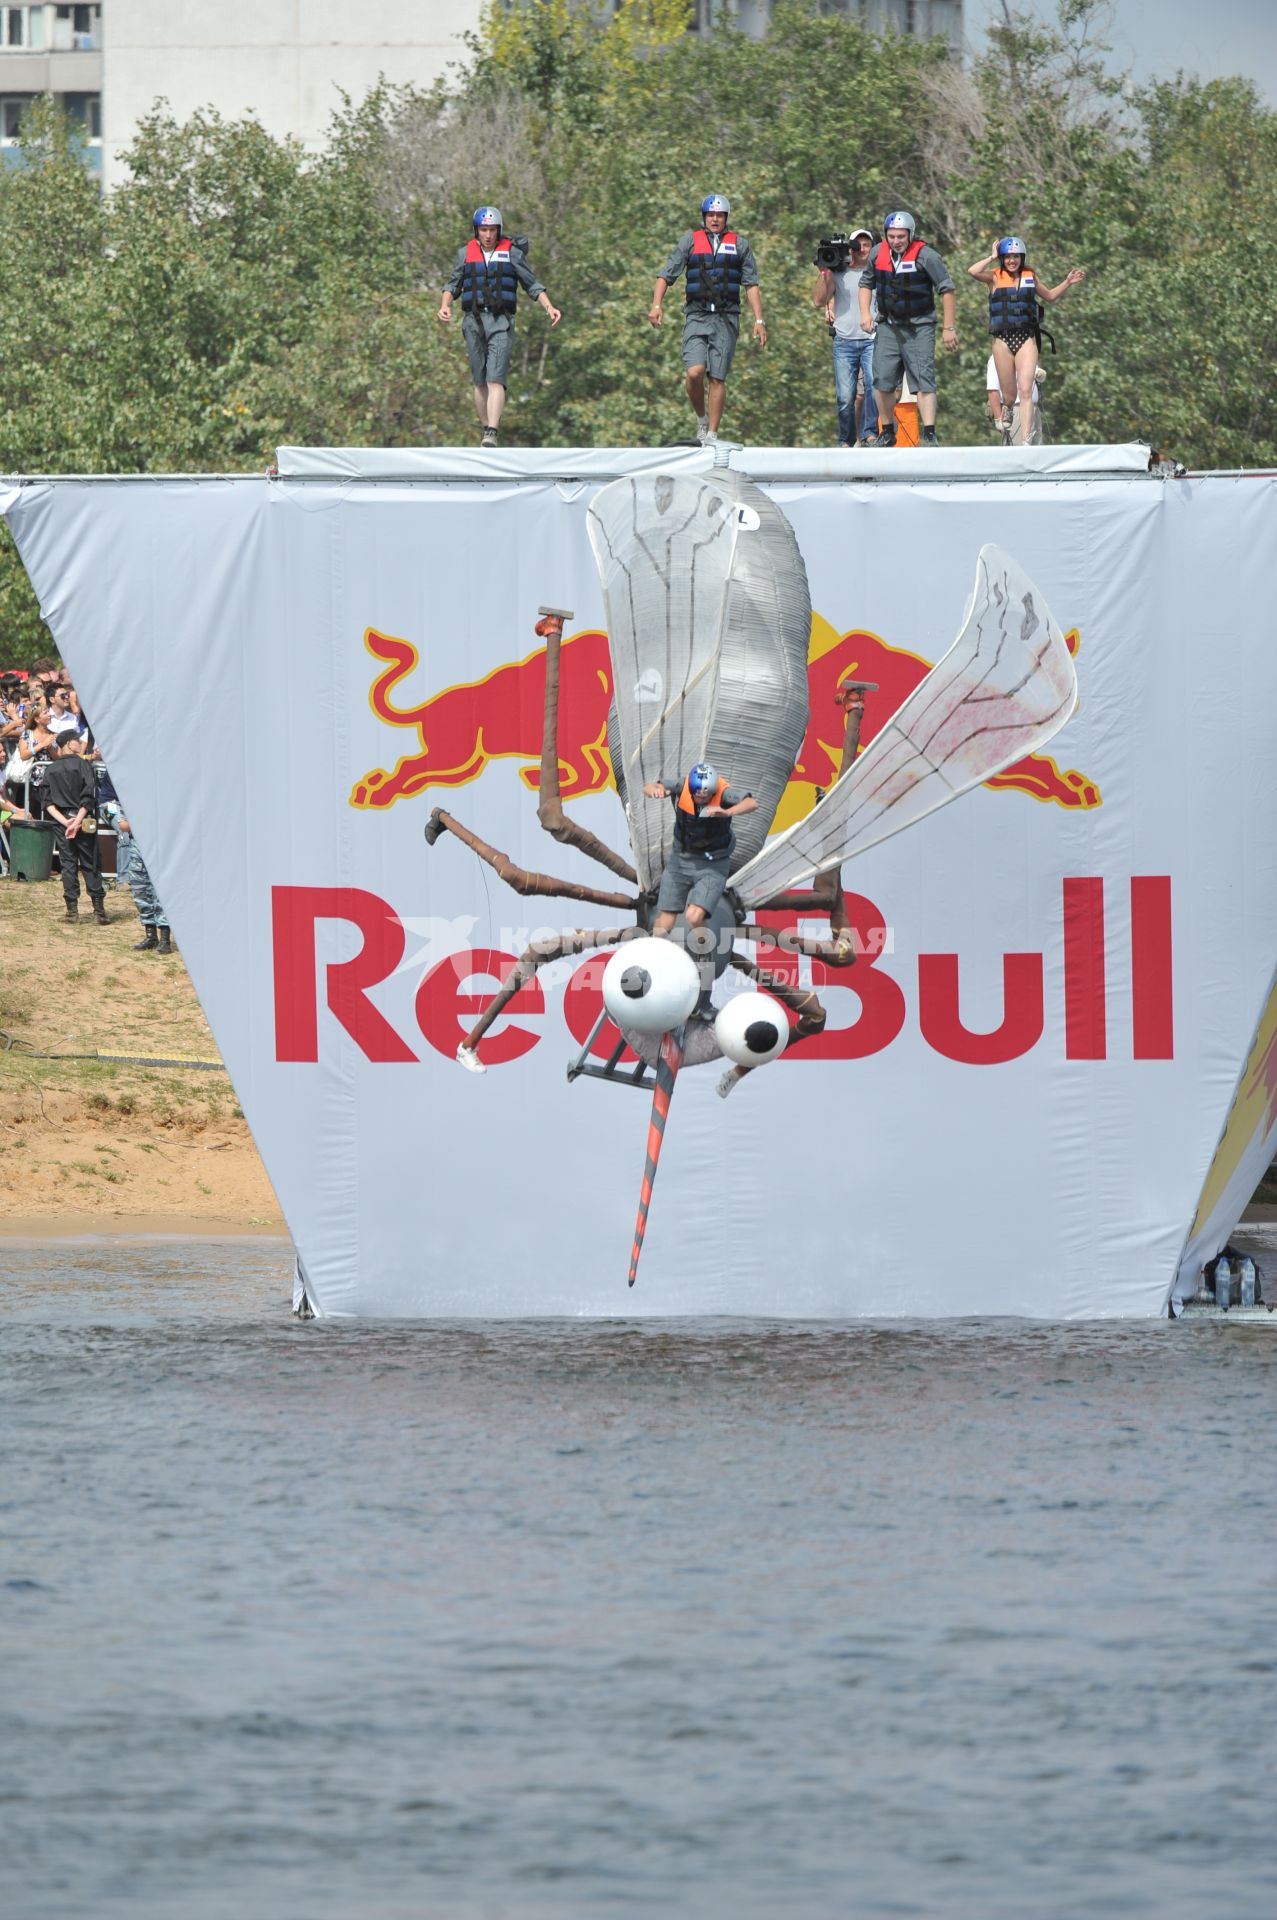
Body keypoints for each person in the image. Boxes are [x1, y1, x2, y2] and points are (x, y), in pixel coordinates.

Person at [438, 208, 561, 449]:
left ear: (499, 231)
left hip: (500, 321)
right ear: (477, 231)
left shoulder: (512, 254)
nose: (488, 235)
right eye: (483, 230)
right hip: (473, 321)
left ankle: (492, 431)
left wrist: (549, 307)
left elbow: (532, 284)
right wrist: (445, 305)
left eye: (492, 230)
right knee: (480, 380)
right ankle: (485, 430)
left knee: (496, 378)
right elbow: (452, 284)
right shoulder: (465, 253)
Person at [649, 194, 767, 446]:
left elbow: (751, 285)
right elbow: (665, 275)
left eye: (720, 215)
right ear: (705, 217)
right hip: (697, 315)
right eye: (711, 215)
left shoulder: (740, 245)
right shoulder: (690, 241)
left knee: (717, 377)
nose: (715, 219)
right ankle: (701, 419)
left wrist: (759, 320)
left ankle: (712, 434)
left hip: (726, 318)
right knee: (695, 372)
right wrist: (656, 305)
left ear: (726, 217)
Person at [968, 236, 1084, 446]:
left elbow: (1049, 296)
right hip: (1002, 339)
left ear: (1022, 258)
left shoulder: (1030, 275)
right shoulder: (994, 276)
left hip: (1026, 338)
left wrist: (1067, 282)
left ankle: (1026, 440)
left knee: (1026, 389)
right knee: (1010, 396)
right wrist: (991, 257)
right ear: (1003, 258)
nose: (1012, 261)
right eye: (1008, 257)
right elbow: (972, 271)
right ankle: (1006, 409)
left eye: (1016, 257)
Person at [858, 211, 958, 447]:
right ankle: (887, 431)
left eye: (901, 236)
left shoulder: (927, 256)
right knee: (881, 380)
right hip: (888, 326)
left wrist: (948, 327)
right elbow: (865, 284)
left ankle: (930, 434)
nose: (896, 241)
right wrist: (865, 313)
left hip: (919, 326)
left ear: (910, 234)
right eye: (891, 236)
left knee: (924, 379)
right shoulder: (877, 253)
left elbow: (947, 289)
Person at [642, 763, 758, 936]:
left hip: (713, 864)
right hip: (681, 860)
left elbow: (752, 803)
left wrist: (727, 812)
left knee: (694, 917)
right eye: (698, 795)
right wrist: (655, 790)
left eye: (706, 796)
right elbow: (650, 786)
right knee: (664, 924)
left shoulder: (724, 793)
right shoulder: (682, 786)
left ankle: (704, 948)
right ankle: (653, 947)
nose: (702, 799)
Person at [812, 228, 878, 447]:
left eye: (866, 244)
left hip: (872, 339)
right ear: (850, 249)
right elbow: (818, 300)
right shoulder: (839, 273)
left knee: (873, 386)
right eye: (857, 245)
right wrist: (824, 272)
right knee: (845, 397)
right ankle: (847, 440)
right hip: (844, 341)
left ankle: (870, 433)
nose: (862, 249)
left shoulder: (877, 272)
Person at [41, 731, 108, 925]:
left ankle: (72, 912)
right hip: (83, 820)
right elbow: (88, 797)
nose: (80, 743)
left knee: (68, 863)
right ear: (69, 744)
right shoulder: (84, 765)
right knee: (90, 862)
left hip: (62, 822)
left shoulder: (50, 770)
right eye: (77, 741)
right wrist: (77, 821)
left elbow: (47, 803)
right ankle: (99, 912)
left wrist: (66, 822)